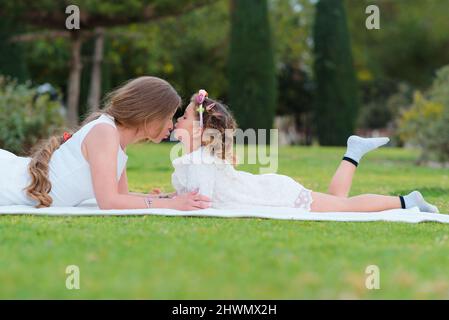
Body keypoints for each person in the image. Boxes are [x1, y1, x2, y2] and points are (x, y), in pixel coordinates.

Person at [170, 89, 439, 213]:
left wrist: (171, 202)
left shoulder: (199, 160)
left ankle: (407, 201)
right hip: (268, 190)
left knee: (345, 207)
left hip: (276, 196)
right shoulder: (195, 159)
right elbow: (194, 195)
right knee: (337, 200)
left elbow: (199, 202)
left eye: (184, 118)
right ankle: (353, 153)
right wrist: (168, 197)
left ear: (199, 132)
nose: (177, 121)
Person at [0, 77, 211, 210]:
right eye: (169, 117)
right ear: (151, 115)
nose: (171, 125)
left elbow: (122, 197)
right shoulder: (105, 133)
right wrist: (170, 204)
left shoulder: (117, 139)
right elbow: (109, 202)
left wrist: (166, 198)